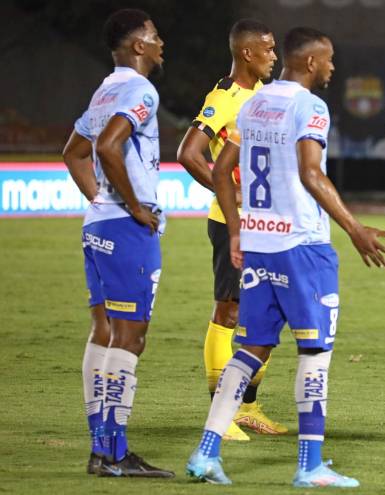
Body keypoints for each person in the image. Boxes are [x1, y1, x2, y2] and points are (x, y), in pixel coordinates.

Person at [186, 27, 385, 487]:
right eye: (330, 59)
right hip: (302, 247)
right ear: (313, 62)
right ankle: (309, 464)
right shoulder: (309, 106)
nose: (333, 67)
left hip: (259, 245)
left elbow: (221, 170)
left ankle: (205, 453)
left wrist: (238, 231)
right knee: (314, 351)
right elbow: (311, 173)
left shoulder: (254, 102)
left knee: (251, 350)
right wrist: (355, 230)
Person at [62, 8, 174, 478]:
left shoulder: (105, 89)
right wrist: (131, 207)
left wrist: (102, 200)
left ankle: (101, 448)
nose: (160, 41)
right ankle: (116, 454)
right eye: (153, 35)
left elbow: (73, 152)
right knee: (131, 336)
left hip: (97, 225)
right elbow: (107, 147)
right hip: (125, 230)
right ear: (138, 47)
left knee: (104, 331)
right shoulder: (138, 89)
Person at [176, 19, 285, 441]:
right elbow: (189, 153)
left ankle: (248, 408)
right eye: (268, 49)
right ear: (246, 53)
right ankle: (221, 415)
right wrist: (231, 194)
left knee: (264, 316)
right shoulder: (225, 97)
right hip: (231, 223)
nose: (274, 56)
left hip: (266, 226)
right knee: (229, 311)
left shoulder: (264, 96)